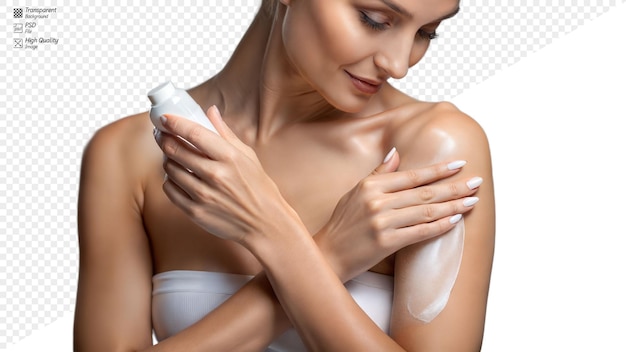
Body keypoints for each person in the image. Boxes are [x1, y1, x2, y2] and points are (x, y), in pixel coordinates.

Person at [74, 0, 495, 351]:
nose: (399, 64)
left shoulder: (431, 149)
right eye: (375, 19)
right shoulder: (129, 155)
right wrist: (329, 256)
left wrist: (275, 234)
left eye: (427, 32)